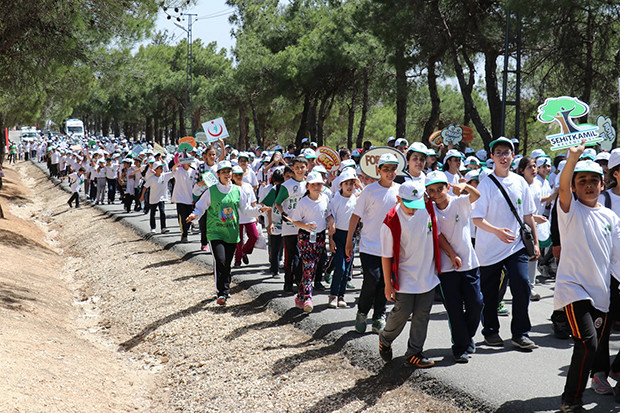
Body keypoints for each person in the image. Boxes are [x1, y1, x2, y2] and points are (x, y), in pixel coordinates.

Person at [555, 141, 620, 413]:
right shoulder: (570, 210)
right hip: (573, 289)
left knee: (591, 349)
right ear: (574, 186)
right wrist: (573, 157)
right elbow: (561, 187)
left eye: (594, 180)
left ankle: (573, 394)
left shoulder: (610, 217)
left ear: (602, 185)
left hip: (600, 294)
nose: (589, 185)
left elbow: (616, 258)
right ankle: (571, 401)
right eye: (582, 181)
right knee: (586, 341)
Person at [472, 137, 540, 350]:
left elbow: (528, 216)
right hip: (490, 249)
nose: (503, 156)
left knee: (521, 285)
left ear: (513, 156)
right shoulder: (486, 184)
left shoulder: (520, 182)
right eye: (499, 152)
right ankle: (490, 331)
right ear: (492, 157)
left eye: (507, 152)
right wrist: (497, 232)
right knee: (490, 293)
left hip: (516, 246)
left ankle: (520, 333)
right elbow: (477, 219)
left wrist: (536, 243)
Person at [378, 180, 441, 368]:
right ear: (398, 199)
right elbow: (386, 256)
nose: (413, 210)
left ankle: (414, 352)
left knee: (422, 314)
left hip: (427, 274)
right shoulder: (391, 220)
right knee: (402, 312)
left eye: (417, 205)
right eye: (409, 206)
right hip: (404, 275)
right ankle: (385, 337)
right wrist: (388, 284)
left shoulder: (426, 207)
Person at [186, 161, 268, 305]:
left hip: (231, 233)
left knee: (227, 264)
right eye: (223, 172)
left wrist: (259, 210)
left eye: (229, 171)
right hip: (215, 232)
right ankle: (221, 293)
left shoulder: (238, 190)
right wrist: (194, 215)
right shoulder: (211, 191)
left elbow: (246, 210)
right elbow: (200, 207)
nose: (227, 174)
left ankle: (226, 289)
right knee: (220, 261)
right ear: (218, 175)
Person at [425, 170, 482, 363]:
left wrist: (464, 187)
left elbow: (476, 195)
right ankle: (460, 347)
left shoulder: (459, 202)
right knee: (454, 308)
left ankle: (466, 337)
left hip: (469, 262)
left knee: (476, 302)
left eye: (440, 189)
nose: (436, 194)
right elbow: (438, 236)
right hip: (447, 267)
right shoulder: (430, 210)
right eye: (431, 191)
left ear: (447, 188)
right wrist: (451, 254)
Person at [346, 153, 401, 334]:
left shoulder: (400, 190)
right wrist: (349, 241)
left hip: (391, 248)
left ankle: (379, 316)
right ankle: (362, 312)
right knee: (373, 279)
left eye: (393, 169)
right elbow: (355, 216)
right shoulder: (369, 191)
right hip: (369, 246)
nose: (390, 172)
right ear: (378, 171)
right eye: (386, 169)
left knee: (387, 283)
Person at [290, 171, 333, 312]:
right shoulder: (303, 202)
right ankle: (308, 297)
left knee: (312, 267)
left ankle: (300, 295)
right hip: (305, 237)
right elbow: (295, 220)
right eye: (313, 184)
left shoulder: (326, 198)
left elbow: (328, 214)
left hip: (320, 236)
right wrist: (306, 226)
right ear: (307, 186)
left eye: (319, 184)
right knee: (308, 266)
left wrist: (331, 222)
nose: (316, 187)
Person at [327, 167, 362, 308]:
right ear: (340, 185)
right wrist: (330, 239)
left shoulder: (356, 198)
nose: (349, 187)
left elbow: (367, 194)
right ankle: (333, 295)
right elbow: (329, 217)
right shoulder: (335, 200)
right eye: (346, 183)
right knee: (340, 267)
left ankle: (341, 296)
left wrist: (359, 184)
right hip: (338, 236)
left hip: (351, 236)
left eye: (351, 184)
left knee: (347, 269)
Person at [516, 156, 549, 301]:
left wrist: (553, 195)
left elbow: (537, 201)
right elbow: (520, 211)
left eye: (535, 166)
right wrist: (535, 218)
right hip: (519, 228)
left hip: (532, 227)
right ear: (522, 170)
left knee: (533, 257)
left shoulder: (537, 185)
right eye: (530, 167)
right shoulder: (519, 185)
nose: (534, 169)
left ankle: (530, 288)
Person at [274, 156, 308, 292]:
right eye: (297, 167)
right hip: (290, 226)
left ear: (307, 168)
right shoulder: (286, 186)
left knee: (301, 255)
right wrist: (283, 213)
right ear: (292, 168)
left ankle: (299, 279)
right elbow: (278, 202)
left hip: (305, 225)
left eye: (302, 167)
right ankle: (288, 281)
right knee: (290, 255)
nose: (300, 170)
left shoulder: (310, 184)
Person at [231, 165, 259, 266]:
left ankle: (244, 251)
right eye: (236, 175)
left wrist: (256, 214)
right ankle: (237, 261)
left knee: (254, 236)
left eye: (240, 175)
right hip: (236, 218)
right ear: (232, 176)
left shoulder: (247, 186)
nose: (239, 177)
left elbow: (253, 201)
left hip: (249, 216)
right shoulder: (231, 187)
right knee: (238, 241)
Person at [140, 161, 173, 234]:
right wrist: (142, 196)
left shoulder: (165, 176)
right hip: (153, 198)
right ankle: (153, 228)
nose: (162, 169)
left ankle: (163, 227)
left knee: (162, 212)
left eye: (162, 168)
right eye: (160, 168)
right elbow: (145, 187)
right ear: (156, 169)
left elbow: (173, 172)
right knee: (153, 213)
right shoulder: (152, 178)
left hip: (162, 198)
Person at [171, 157, 197, 243]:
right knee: (182, 217)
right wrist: (179, 163)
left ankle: (186, 230)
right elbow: (173, 169)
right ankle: (184, 234)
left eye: (190, 161)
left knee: (189, 218)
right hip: (180, 198)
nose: (189, 163)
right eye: (187, 162)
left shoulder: (193, 171)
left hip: (190, 199)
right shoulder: (178, 170)